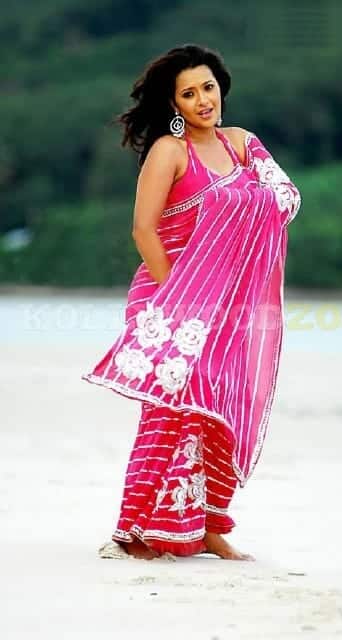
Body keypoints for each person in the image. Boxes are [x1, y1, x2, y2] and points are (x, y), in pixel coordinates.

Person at [82, 43, 301, 561]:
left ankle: (209, 525)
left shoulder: (243, 145)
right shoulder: (170, 151)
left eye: (208, 87)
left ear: (221, 88)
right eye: (189, 93)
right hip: (168, 296)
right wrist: (181, 300)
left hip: (228, 300)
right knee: (169, 408)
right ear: (173, 103)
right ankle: (136, 529)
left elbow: (286, 198)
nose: (203, 100)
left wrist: (247, 207)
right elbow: (143, 230)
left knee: (220, 403)